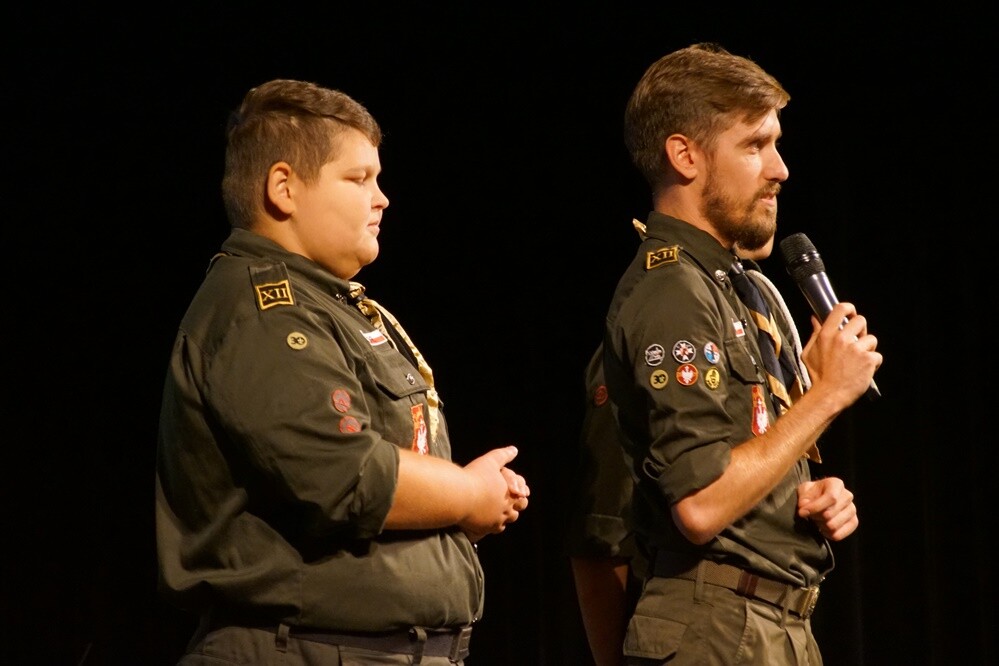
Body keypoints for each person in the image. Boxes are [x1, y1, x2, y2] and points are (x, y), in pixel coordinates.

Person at [155, 78, 530, 666]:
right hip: (304, 649)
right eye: (359, 179)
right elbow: (342, 473)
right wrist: (467, 494)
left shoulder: (326, 306)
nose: (382, 199)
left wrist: (456, 515)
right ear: (283, 188)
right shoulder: (264, 311)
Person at [600, 43, 882, 665]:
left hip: (768, 623)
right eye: (755, 145)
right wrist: (826, 395)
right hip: (719, 628)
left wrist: (802, 500)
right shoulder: (674, 291)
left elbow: (741, 460)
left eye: (775, 144)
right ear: (685, 156)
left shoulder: (728, 286)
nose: (780, 169)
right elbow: (700, 506)